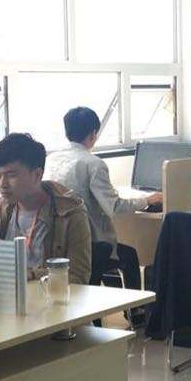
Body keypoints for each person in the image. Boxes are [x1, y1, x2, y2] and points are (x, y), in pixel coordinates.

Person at [45, 107, 159, 293]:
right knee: (129, 255)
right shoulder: (93, 164)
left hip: (60, 241)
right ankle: (136, 308)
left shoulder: (51, 159)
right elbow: (114, 207)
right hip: (91, 243)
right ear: (93, 134)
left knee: (116, 255)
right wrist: (148, 200)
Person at [0, 133, 91, 284]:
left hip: (48, 296)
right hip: (8, 295)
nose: (2, 184)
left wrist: (33, 274)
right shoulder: (0, 209)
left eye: (11, 175)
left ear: (37, 175)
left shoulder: (69, 213)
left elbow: (78, 277)